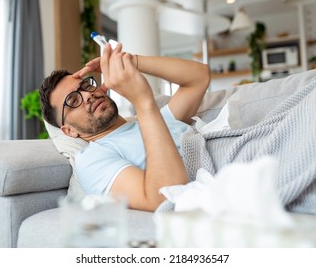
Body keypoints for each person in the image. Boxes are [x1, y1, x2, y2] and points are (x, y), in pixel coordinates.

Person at [39, 43, 210, 212]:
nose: (87, 95)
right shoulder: (93, 158)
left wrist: (130, 62)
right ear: (69, 131)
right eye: (74, 101)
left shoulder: (156, 121)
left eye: (85, 86)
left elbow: (199, 77)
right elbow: (165, 198)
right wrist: (142, 101)